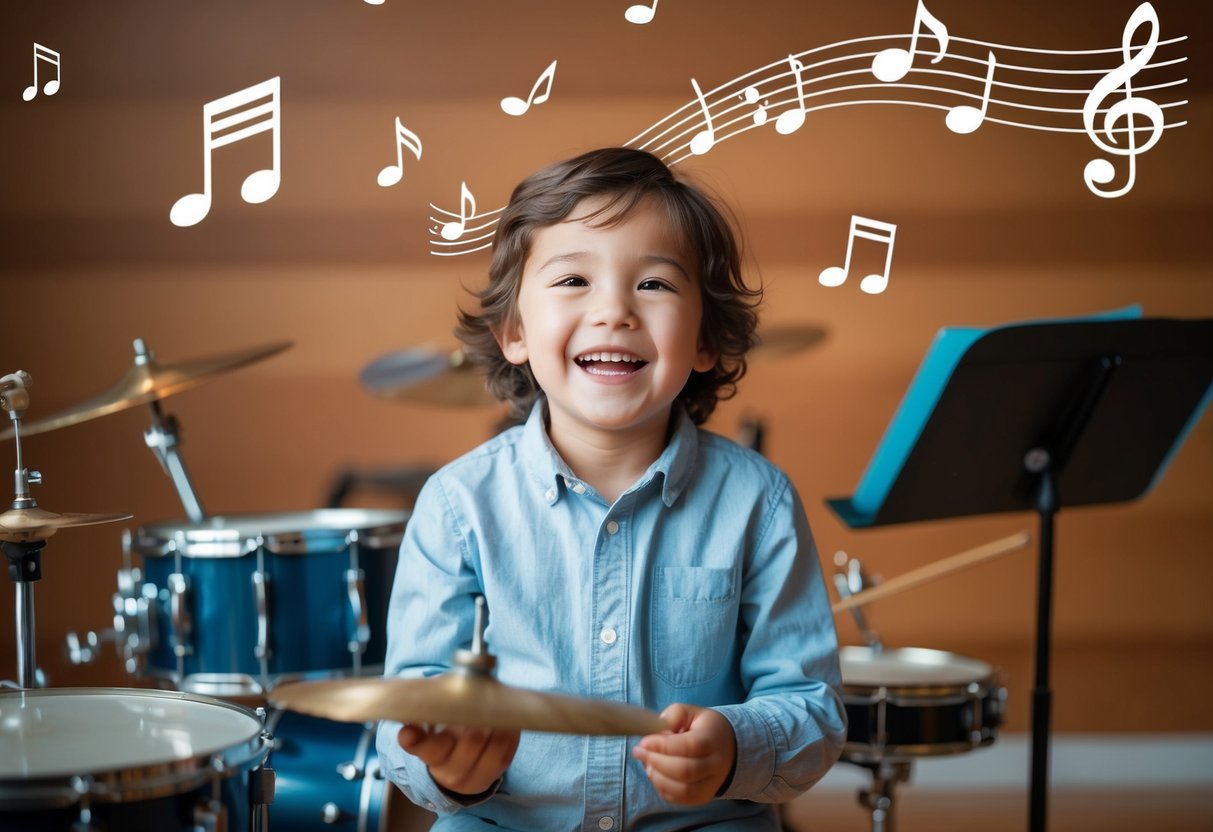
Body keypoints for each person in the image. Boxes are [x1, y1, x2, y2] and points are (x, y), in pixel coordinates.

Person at [375, 147, 846, 830]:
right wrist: (447, 767)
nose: (614, 311)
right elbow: (407, 706)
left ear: (706, 340)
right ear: (513, 331)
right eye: (572, 280)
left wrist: (735, 748)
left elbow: (811, 705)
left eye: (653, 285)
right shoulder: (457, 505)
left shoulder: (757, 501)